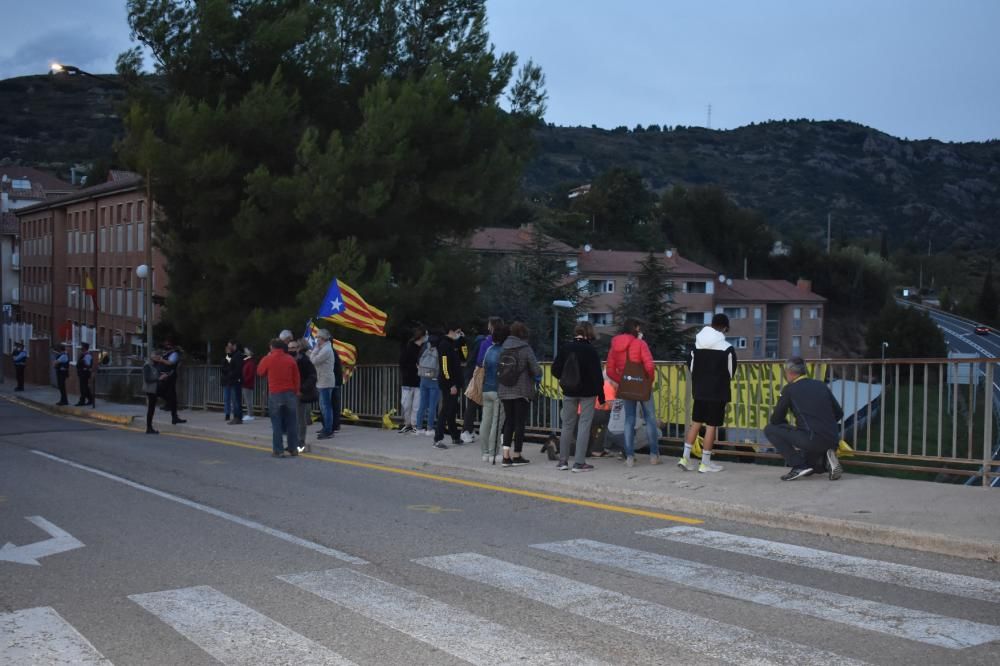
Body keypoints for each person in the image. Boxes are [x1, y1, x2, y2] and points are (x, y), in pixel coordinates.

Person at [764, 357, 845, 481]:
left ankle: (798, 466)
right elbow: (839, 413)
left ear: (789, 372)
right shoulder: (820, 385)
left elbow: (776, 420)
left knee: (770, 429)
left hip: (811, 439)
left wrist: (787, 427)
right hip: (833, 439)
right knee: (811, 469)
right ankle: (827, 461)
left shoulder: (789, 389)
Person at [679, 313, 737, 473]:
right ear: (725, 327)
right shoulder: (727, 348)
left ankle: (685, 458)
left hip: (699, 390)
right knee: (711, 426)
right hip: (718, 392)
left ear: (711, 325)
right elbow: (731, 372)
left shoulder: (696, 345)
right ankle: (705, 463)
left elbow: (691, 367)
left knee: (695, 422)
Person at [605, 318, 660, 467]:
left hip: (627, 387)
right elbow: (649, 366)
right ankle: (654, 455)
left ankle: (629, 457)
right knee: (650, 418)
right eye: (639, 328)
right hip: (642, 386)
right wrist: (647, 382)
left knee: (628, 419)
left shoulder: (614, 347)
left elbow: (610, 370)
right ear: (635, 328)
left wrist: (622, 381)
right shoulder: (640, 344)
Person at [553, 321, 604, 473]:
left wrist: (566, 379)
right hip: (588, 393)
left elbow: (555, 370)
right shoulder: (591, 350)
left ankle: (562, 461)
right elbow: (597, 376)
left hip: (569, 391)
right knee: (584, 425)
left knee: (567, 425)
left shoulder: (566, 347)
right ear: (589, 332)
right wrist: (601, 396)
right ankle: (579, 463)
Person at [498, 321, 542, 467]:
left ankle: (505, 456)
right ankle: (517, 455)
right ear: (523, 334)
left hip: (504, 389)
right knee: (519, 423)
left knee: (509, 421)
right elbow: (536, 370)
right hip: (521, 390)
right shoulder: (525, 348)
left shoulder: (503, 347)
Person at [257, 338, 301, 457]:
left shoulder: (269, 358)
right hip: (290, 393)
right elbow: (296, 377)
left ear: (272, 348)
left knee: (276, 423)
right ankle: (293, 448)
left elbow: (260, 372)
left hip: (275, 393)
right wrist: (296, 391)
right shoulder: (290, 359)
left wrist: (266, 357)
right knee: (292, 422)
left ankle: (278, 450)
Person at [479, 324, 508, 463]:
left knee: (486, 421)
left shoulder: (489, 349)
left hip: (486, 389)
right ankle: (493, 453)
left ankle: (484, 452)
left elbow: (482, 365)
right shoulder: (504, 352)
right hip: (498, 390)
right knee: (496, 423)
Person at [433, 323, 466, 449]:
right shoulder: (444, 345)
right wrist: (451, 384)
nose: (458, 333)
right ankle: (438, 438)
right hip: (449, 383)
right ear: (451, 331)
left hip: (455, 383)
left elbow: (464, 355)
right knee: (446, 410)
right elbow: (445, 366)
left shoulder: (453, 344)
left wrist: (462, 340)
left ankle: (455, 436)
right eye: (457, 331)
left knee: (452, 410)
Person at [290, 338, 318, 452]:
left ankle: (300, 443)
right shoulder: (289, 359)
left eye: (293, 347)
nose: (291, 349)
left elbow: (312, 376)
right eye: (289, 347)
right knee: (293, 418)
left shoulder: (304, 360)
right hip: (290, 392)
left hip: (299, 392)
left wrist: (302, 389)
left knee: (299, 419)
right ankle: (294, 442)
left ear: (299, 348)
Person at [310, 329, 337, 440]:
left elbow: (314, 360)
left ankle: (328, 430)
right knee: (323, 406)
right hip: (322, 381)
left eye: (318, 338)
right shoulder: (324, 348)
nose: (317, 340)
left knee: (326, 407)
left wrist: (315, 349)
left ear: (323, 338)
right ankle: (326, 427)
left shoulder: (326, 349)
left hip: (325, 381)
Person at [413, 329, 440, 437]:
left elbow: (418, 361)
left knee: (422, 404)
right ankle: (429, 428)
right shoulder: (438, 351)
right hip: (434, 379)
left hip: (423, 378)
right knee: (432, 405)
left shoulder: (424, 348)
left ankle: (419, 428)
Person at [152, 339, 186, 424]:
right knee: (164, 394)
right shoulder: (165, 353)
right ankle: (170, 408)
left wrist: (160, 360)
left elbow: (170, 363)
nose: (167, 346)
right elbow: (154, 358)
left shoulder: (174, 354)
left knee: (169, 395)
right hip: (163, 376)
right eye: (166, 344)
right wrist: (156, 358)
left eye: (169, 345)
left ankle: (173, 415)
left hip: (169, 376)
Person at [398, 326, 424, 434]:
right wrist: (412, 368)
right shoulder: (408, 347)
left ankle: (414, 424)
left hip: (419, 380)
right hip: (408, 380)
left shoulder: (424, 348)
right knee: (406, 404)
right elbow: (402, 362)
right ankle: (407, 423)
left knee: (416, 405)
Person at [221, 339, 244, 425]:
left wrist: (230, 374)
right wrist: (228, 354)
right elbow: (225, 364)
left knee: (236, 400)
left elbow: (236, 368)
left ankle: (237, 417)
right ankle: (235, 417)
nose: (229, 347)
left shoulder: (237, 355)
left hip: (235, 380)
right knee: (233, 400)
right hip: (231, 380)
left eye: (230, 345)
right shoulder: (232, 355)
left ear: (234, 345)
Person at [142, 355, 160, 434]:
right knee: (151, 409)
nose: (158, 359)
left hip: (154, 390)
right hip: (150, 390)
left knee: (152, 409)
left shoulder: (154, 366)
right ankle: (149, 428)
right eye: (156, 357)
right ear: (152, 357)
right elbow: (147, 379)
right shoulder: (147, 366)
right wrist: (158, 379)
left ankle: (150, 427)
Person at [75, 342, 95, 406]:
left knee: (83, 388)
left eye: (82, 347)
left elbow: (88, 365)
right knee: (84, 387)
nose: (81, 348)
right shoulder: (83, 354)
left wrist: (83, 362)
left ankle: (82, 401)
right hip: (82, 373)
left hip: (85, 373)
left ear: (85, 348)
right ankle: (90, 399)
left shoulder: (87, 355)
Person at [241, 347, 257, 421]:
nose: (244, 353)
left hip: (248, 384)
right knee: (247, 400)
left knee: (248, 400)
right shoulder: (247, 362)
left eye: (246, 352)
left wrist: (244, 381)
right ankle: (249, 414)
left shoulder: (251, 362)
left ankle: (250, 414)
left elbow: (250, 375)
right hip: (246, 383)